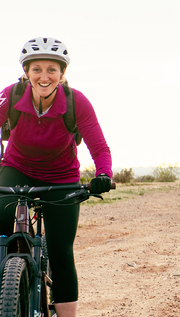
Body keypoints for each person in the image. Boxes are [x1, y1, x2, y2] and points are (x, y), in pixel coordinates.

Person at [0, 37, 113, 317]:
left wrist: (103, 174)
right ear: (27, 73)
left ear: (62, 74)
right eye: (36, 69)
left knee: (62, 253)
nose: (44, 76)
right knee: (1, 234)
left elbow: (98, 145)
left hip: (61, 177)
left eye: (52, 69)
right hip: (16, 168)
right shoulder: (10, 96)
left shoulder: (77, 102)